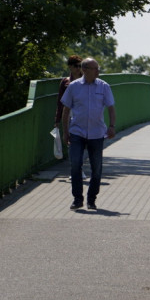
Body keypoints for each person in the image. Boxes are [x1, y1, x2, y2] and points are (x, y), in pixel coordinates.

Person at [60, 57, 116, 210]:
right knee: (75, 165)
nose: (98, 71)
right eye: (95, 68)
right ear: (84, 70)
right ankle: (78, 199)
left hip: (97, 133)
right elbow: (66, 110)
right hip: (77, 132)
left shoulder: (104, 86)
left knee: (96, 168)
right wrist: (65, 132)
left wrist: (111, 126)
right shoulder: (73, 87)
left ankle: (91, 199)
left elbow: (111, 108)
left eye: (98, 68)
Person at [54, 55, 82, 131]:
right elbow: (60, 102)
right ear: (70, 66)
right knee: (72, 139)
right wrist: (57, 120)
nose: (78, 68)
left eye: (80, 66)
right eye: (76, 66)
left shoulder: (86, 80)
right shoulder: (65, 82)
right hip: (69, 115)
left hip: (83, 115)